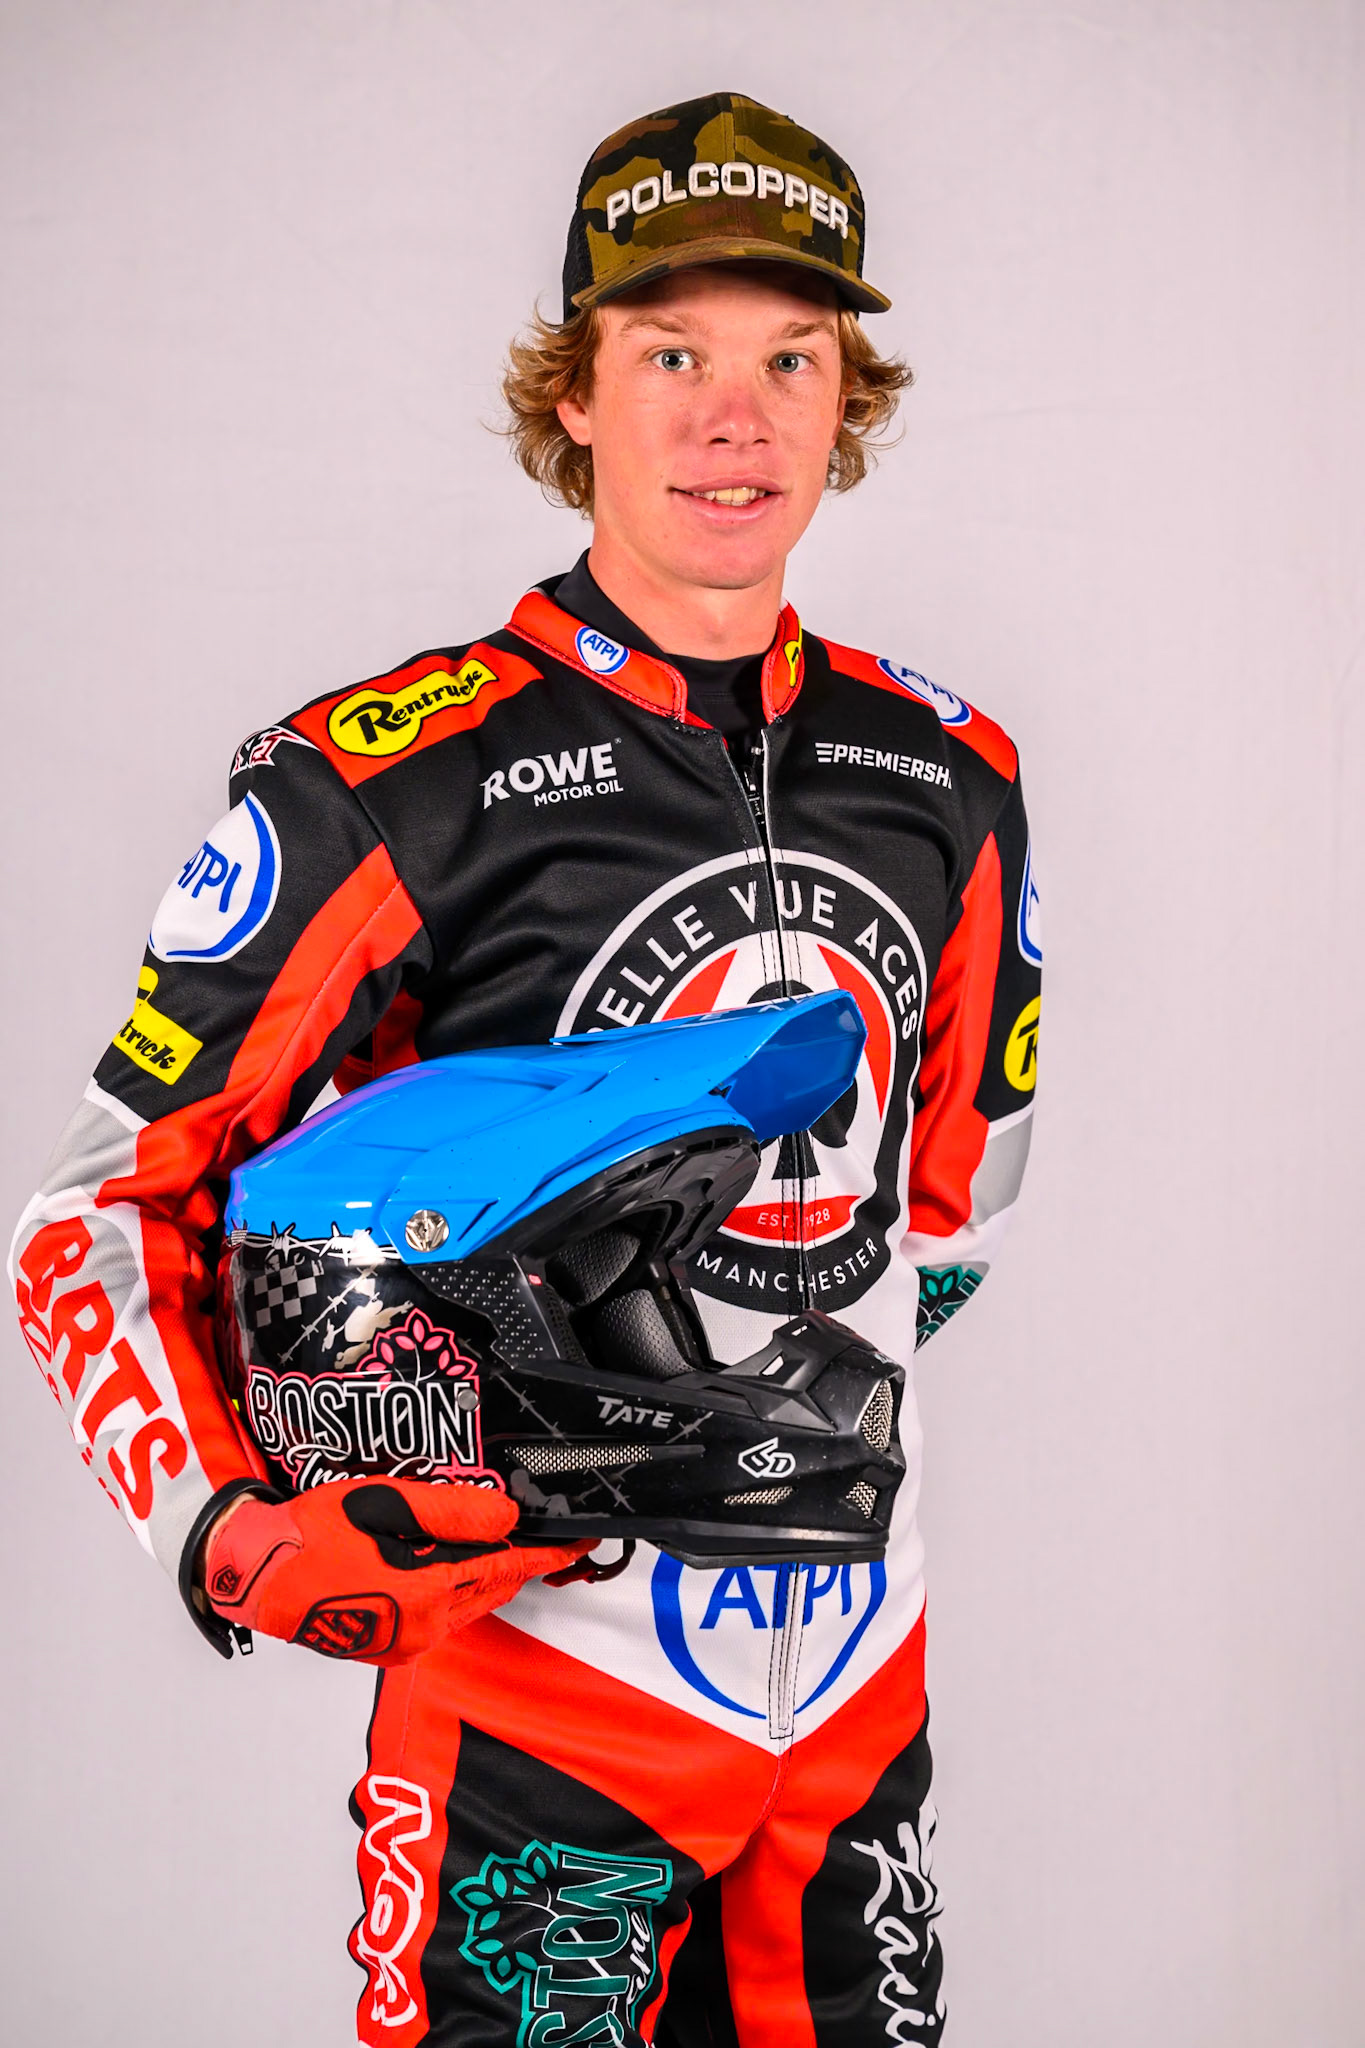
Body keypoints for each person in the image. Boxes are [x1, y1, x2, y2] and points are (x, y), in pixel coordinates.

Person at [10, 90, 1041, 2047]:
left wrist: (758, 1426)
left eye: (788, 359)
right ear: (572, 391)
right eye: (670, 355)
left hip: (854, 1694)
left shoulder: (951, 776)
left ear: (845, 397)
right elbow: (95, 1214)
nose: (733, 419)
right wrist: (227, 1524)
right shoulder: (388, 781)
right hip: (538, 1708)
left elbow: (947, 1213)